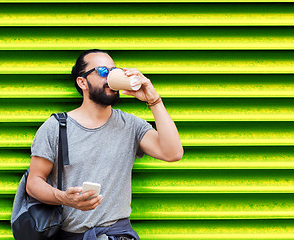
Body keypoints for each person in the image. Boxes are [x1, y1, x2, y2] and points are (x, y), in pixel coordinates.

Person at [26, 49, 183, 240]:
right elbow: (34, 183)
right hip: (72, 235)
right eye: (102, 71)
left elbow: (173, 153)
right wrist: (64, 198)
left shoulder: (131, 125)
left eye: (114, 70)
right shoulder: (56, 127)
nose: (110, 77)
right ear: (82, 82)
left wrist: (153, 100)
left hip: (117, 234)